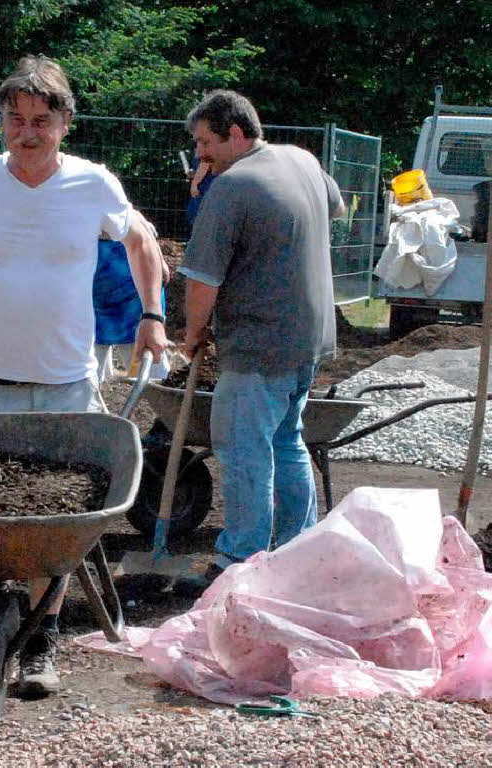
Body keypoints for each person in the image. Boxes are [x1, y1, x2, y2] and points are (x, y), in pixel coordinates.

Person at [0, 55, 168, 697]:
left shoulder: (93, 185)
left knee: (55, 523)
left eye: (41, 121)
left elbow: (141, 243)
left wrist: (152, 315)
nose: (27, 133)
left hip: (65, 381)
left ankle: (39, 643)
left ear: (65, 124)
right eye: (15, 119)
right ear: (2, 121)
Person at [178, 90, 346, 592]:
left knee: (242, 447)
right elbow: (334, 211)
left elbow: (202, 280)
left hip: (260, 341)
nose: (201, 153)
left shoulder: (234, 186)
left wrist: (192, 333)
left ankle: (239, 558)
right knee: (286, 441)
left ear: (235, 133)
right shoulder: (302, 160)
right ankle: (300, 548)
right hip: (310, 338)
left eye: (207, 142)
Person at [93, 211, 170, 384]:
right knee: (88, 371)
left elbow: (145, 238)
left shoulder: (127, 215)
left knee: (145, 364)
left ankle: (154, 393)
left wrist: (159, 261)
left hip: (133, 301)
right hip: (96, 301)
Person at [185, 154, 217, 230]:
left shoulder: (207, 145)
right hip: (210, 184)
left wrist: (194, 184)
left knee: (197, 216)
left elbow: (206, 162)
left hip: (205, 187)